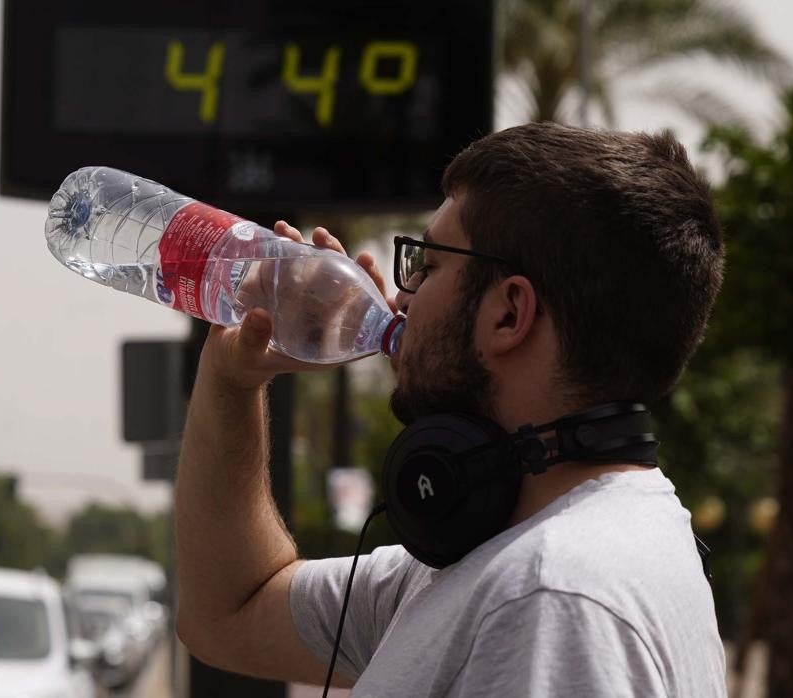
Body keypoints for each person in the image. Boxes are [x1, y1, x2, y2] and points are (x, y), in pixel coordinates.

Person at [174, 122, 727, 696]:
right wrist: (231, 378)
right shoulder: (519, 553)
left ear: (510, 314)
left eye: (429, 265)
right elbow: (229, 613)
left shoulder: (549, 595)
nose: (401, 296)